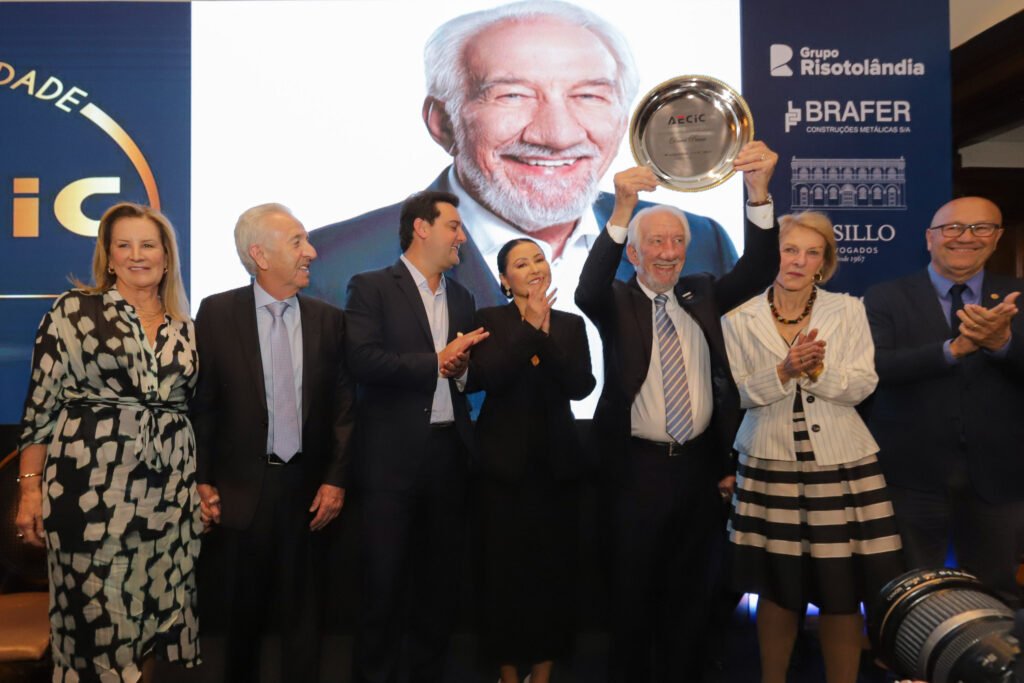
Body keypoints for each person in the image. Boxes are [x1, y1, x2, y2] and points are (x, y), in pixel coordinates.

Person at [307, 0, 740, 414]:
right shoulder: (334, 267)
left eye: (589, 96)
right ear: (442, 121)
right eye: (512, 95)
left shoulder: (701, 241)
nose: (557, 134)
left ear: (624, 117)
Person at [575, 141, 780, 683]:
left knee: (692, 595)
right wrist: (623, 209)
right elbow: (587, 289)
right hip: (636, 472)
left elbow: (760, 268)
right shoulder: (616, 301)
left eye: (678, 241)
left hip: (697, 471)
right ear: (634, 254)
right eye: (656, 241)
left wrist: (758, 193)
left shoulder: (703, 293)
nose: (668, 251)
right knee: (631, 597)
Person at [14, 202, 200, 681]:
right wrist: (30, 488)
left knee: (155, 619)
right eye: (124, 245)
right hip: (89, 497)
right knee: (98, 626)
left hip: (168, 499)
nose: (137, 255)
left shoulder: (186, 327)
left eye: (148, 245)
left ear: (166, 256)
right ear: (109, 256)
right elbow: (40, 407)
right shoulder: (73, 310)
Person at [722, 211, 904, 683]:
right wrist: (784, 371)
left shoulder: (848, 310)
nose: (799, 261)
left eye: (811, 253)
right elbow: (738, 393)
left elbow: (863, 384)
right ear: (772, 254)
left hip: (842, 466)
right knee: (778, 590)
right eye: (789, 250)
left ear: (824, 262)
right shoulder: (738, 318)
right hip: (769, 464)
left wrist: (818, 371)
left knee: (842, 594)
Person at [190, 203, 354, 683]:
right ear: (260, 255)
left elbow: (344, 409)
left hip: (310, 493)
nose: (312, 252)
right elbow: (204, 405)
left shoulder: (328, 319)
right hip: (242, 493)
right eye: (298, 241)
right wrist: (201, 479)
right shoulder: (216, 313)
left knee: (306, 622)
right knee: (241, 623)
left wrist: (336, 480)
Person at [345, 190, 489, 683]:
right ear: (421, 229)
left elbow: (465, 374)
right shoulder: (371, 287)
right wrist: (435, 362)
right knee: (383, 587)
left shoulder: (463, 298)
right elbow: (362, 360)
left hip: (449, 457)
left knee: (439, 588)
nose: (462, 236)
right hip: (390, 462)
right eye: (453, 226)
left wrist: (462, 370)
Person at [864, 196, 1024, 607]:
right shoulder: (885, 297)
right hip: (911, 475)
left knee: (999, 594)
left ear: (997, 237)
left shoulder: (1018, 298)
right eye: (952, 228)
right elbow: (875, 368)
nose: (966, 237)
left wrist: (1002, 344)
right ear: (929, 238)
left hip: (1000, 477)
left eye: (981, 227)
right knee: (908, 594)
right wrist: (952, 350)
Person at [473, 238, 596, 683]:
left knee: (554, 574)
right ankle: (507, 672)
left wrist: (545, 335)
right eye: (521, 264)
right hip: (501, 470)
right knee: (501, 574)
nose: (534, 268)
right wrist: (528, 329)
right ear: (505, 280)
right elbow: (488, 378)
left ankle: (543, 671)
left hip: (558, 468)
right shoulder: (489, 321)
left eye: (539, 259)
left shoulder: (570, 324)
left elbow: (581, 386)